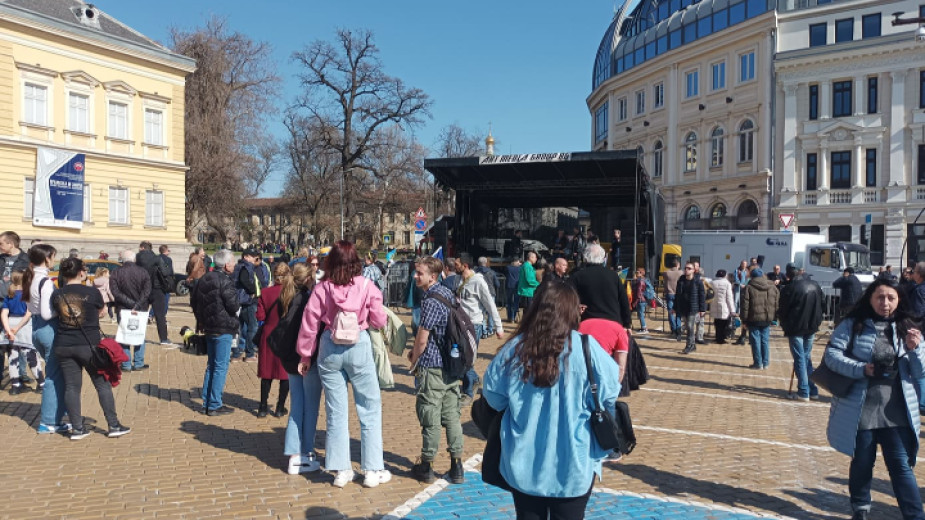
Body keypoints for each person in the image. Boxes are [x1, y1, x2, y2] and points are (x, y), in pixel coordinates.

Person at [483, 281, 620, 520]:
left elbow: (494, 397)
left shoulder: (515, 349)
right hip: (574, 463)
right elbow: (610, 395)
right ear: (572, 311)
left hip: (524, 461)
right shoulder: (587, 349)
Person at [823, 278, 925, 520]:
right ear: (870, 298)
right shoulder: (853, 324)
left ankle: (915, 515)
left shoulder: (909, 327)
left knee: (901, 466)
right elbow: (832, 355)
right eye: (880, 297)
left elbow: (920, 372)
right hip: (862, 407)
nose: (885, 303)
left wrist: (916, 349)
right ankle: (860, 508)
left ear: (899, 300)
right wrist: (861, 369)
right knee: (862, 462)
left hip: (896, 410)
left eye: (891, 298)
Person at [296, 241, 389, 489]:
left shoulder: (321, 288)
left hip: (329, 347)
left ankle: (341, 469)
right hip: (358, 344)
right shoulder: (367, 286)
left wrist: (305, 356)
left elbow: (309, 323)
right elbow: (379, 320)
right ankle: (372, 468)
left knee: (336, 410)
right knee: (369, 407)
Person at [52, 257, 130, 440]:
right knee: (102, 385)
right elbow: (102, 311)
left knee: (71, 387)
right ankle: (113, 425)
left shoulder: (57, 294)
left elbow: (56, 313)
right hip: (89, 344)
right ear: (81, 272)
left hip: (64, 344)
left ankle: (77, 429)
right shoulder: (91, 292)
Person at [408, 256, 465, 485]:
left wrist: (413, 359)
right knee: (452, 416)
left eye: (419, 273)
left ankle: (427, 464)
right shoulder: (449, 294)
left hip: (433, 366)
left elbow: (423, 338)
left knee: (430, 415)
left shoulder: (430, 300)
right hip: (452, 365)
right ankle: (456, 465)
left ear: (432, 276)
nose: (415, 276)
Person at [273, 261, 323, 475]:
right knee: (310, 407)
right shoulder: (308, 299)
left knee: (296, 406)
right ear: (309, 279)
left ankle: (294, 455)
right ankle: (307, 452)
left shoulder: (285, 297)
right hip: (307, 357)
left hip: (289, 359)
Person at [23, 244, 69, 434]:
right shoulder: (45, 281)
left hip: (35, 329)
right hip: (47, 328)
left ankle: (57, 413)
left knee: (54, 373)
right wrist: (63, 312)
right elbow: (46, 313)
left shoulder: (30, 277)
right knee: (54, 375)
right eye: (54, 257)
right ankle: (49, 421)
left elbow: (31, 307)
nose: (55, 260)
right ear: (48, 258)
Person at [191, 249, 241, 416]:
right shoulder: (225, 281)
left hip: (209, 327)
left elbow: (194, 302)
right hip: (223, 327)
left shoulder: (204, 278)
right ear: (227, 265)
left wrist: (202, 319)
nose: (234, 264)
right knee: (220, 367)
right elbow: (234, 305)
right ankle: (213, 403)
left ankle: (208, 400)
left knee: (212, 365)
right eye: (233, 262)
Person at [454, 253, 503, 405]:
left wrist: (498, 326)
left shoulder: (478, 282)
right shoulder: (459, 280)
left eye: (457, 263)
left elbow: (490, 304)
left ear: (465, 265)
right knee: (459, 357)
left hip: (474, 325)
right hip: (460, 323)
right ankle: (474, 378)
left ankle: (468, 392)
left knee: (467, 358)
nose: (454, 265)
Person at [778, 264, 824, 401]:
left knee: (800, 358)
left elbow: (783, 310)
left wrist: (784, 324)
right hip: (811, 326)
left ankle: (804, 391)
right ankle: (812, 389)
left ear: (788, 274)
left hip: (796, 327)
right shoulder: (815, 285)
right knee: (805, 357)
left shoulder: (790, 288)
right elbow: (822, 304)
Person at [255, 262, 295, 418]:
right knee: (284, 373)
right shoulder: (291, 293)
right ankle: (279, 407)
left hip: (268, 334)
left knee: (267, 372)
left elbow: (260, 316)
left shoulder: (265, 292)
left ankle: (263, 407)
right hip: (285, 334)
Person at [569, 244, 632, 330]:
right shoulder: (613, 276)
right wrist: (627, 323)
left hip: (588, 324)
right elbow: (623, 301)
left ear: (585, 258)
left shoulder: (577, 276)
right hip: (612, 323)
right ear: (603, 259)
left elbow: (568, 300)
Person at [109, 250, 151, 372]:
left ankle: (126, 364)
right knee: (139, 334)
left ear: (122, 260)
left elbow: (115, 292)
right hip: (140, 308)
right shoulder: (143, 272)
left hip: (123, 308)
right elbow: (147, 291)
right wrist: (136, 304)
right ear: (134, 259)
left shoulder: (116, 272)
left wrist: (132, 304)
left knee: (124, 335)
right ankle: (138, 363)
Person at [2, 271, 42, 394]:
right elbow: (28, 313)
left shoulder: (10, 295)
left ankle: (15, 385)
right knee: (31, 356)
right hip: (23, 327)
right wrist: (18, 327)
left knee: (12, 357)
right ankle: (41, 382)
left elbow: (4, 313)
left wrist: (8, 330)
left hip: (10, 325)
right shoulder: (27, 295)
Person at [741, 268, 779, 370]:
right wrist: (775, 316)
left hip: (753, 317)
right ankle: (765, 363)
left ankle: (758, 363)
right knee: (765, 340)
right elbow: (776, 303)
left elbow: (745, 305)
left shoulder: (749, 287)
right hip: (767, 317)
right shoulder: (772, 287)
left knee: (755, 340)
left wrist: (744, 320)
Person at [135, 241, 172, 345]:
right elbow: (165, 273)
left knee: (141, 314)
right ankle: (163, 339)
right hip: (157, 289)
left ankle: (137, 337)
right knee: (160, 315)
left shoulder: (137, 258)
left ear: (142, 248)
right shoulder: (156, 258)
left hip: (142, 289)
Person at [233, 248, 261, 361]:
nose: (255, 258)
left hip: (241, 300)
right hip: (247, 301)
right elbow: (244, 280)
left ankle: (236, 353)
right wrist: (252, 291)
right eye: (252, 256)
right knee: (252, 327)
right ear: (245, 257)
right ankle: (249, 353)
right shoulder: (245, 267)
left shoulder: (241, 266)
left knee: (239, 328)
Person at [676, 262, 706, 354]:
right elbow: (677, 295)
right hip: (683, 307)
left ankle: (689, 345)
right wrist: (675, 307)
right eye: (685, 268)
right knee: (689, 327)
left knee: (689, 326)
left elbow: (702, 296)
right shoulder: (681, 280)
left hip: (693, 308)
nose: (686, 270)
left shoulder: (698, 281)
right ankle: (692, 345)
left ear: (693, 270)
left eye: (689, 268)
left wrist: (702, 309)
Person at [475, 256, 500, 335]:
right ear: (486, 263)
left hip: (479, 293)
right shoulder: (492, 272)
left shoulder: (475, 272)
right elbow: (497, 284)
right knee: (491, 311)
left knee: (481, 312)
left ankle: (483, 331)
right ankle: (490, 329)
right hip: (490, 293)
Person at [710, 269, 736, 344]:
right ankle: (721, 339)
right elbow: (729, 297)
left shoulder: (712, 282)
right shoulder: (727, 283)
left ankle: (717, 337)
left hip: (714, 304)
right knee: (723, 323)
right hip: (724, 305)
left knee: (717, 322)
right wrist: (732, 310)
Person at [630, 267, 654, 334]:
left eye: (637, 272)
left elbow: (639, 292)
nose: (636, 273)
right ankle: (643, 327)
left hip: (641, 300)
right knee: (640, 314)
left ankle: (644, 328)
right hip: (643, 299)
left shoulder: (640, 281)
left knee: (641, 314)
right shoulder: (643, 280)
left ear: (641, 273)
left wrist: (635, 302)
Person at [663, 261, 683, 340]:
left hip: (669, 293)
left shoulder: (667, 273)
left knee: (671, 312)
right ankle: (678, 328)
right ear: (678, 265)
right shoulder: (681, 273)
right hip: (678, 294)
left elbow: (664, 273)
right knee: (678, 312)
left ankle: (673, 329)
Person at [733, 260, 750, 345]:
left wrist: (745, 285)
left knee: (742, 301)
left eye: (745, 264)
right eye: (743, 264)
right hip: (738, 287)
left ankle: (739, 312)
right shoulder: (737, 270)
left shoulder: (747, 271)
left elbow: (748, 279)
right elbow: (735, 278)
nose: (744, 265)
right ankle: (736, 312)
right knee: (736, 300)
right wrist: (740, 284)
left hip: (745, 287)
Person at [505, 259, 521, 323]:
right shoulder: (520, 268)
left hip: (509, 286)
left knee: (509, 302)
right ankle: (514, 317)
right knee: (516, 302)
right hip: (517, 286)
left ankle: (509, 317)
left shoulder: (508, 268)